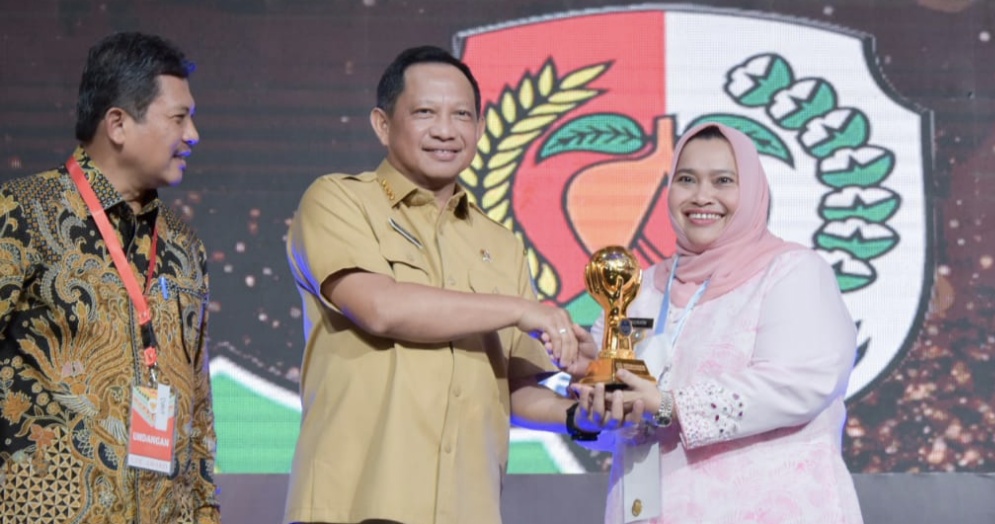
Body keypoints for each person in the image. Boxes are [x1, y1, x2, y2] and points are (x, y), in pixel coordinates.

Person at [283, 45, 636, 524]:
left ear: (480, 127)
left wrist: (579, 415)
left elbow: (512, 388)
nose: (446, 131)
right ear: (383, 125)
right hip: (355, 503)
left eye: (462, 115)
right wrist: (519, 310)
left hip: (467, 508)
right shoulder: (338, 200)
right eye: (425, 113)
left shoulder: (501, 244)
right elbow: (381, 309)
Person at [573, 123, 866, 523]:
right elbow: (614, 427)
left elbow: (800, 382)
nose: (701, 196)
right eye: (686, 179)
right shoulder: (640, 288)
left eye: (723, 181)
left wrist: (671, 405)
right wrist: (591, 382)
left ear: (753, 191)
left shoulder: (791, 271)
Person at [0, 32, 219, 522]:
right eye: (179, 118)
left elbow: (200, 413)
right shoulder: (21, 216)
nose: (193, 135)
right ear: (118, 124)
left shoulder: (185, 246)